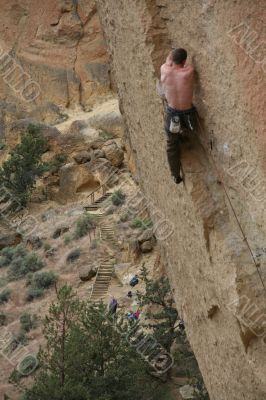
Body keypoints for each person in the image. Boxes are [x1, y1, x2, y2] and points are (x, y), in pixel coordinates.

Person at [160, 48, 196, 184]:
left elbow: (168, 62)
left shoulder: (164, 70)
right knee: (191, 129)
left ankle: (175, 174)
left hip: (172, 114)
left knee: (171, 144)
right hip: (187, 115)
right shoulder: (189, 71)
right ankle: (185, 135)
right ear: (184, 61)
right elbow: (183, 65)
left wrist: (171, 54)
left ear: (171, 59)